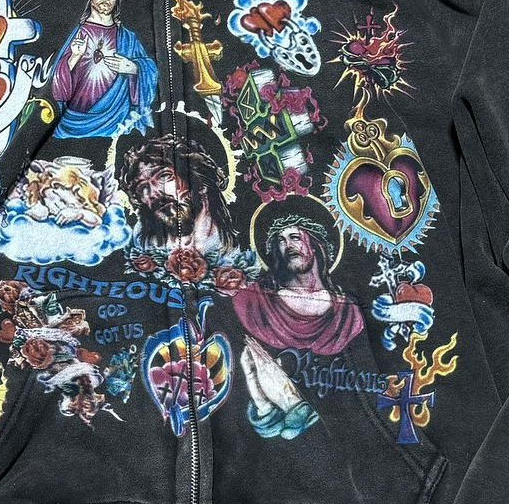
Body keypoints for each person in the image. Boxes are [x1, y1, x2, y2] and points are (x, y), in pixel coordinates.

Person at [231, 201, 364, 439]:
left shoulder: (348, 314)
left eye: (294, 237)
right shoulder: (254, 303)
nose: (288, 245)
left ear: (315, 245)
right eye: (280, 240)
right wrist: (260, 398)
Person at [49, 0, 157, 138]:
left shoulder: (127, 38)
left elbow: (151, 71)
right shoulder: (76, 33)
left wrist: (133, 68)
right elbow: (57, 88)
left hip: (115, 122)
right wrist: (74, 57)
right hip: (72, 121)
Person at [119, 133, 239, 252]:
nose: (154, 193)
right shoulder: (144, 246)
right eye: (143, 187)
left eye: (164, 176)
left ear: (197, 180)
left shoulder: (230, 242)